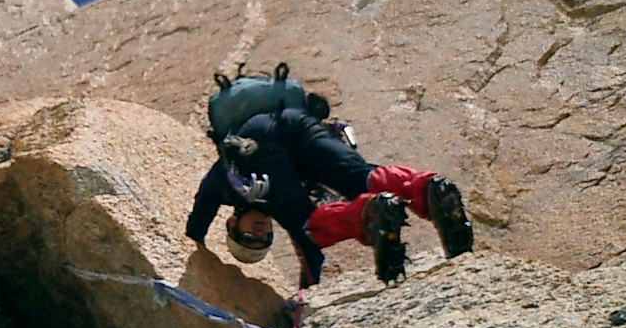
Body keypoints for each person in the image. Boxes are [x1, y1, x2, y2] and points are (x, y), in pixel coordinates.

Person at [185, 99, 473, 286]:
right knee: (359, 179)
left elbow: (196, 223)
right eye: (264, 240)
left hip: (257, 145)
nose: (259, 232)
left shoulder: (225, 188)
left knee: (310, 227)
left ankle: (370, 214)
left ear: (232, 223)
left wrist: (304, 297)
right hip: (297, 123)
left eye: (248, 237)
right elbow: (311, 258)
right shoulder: (273, 200)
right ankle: (427, 187)